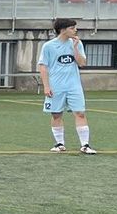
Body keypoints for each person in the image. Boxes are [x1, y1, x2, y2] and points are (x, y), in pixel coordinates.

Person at [39, 18, 95, 154]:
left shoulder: (77, 43)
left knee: (80, 113)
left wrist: (75, 48)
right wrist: (46, 86)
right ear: (63, 29)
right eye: (72, 28)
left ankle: (85, 145)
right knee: (56, 114)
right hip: (56, 86)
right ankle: (59, 144)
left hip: (74, 86)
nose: (75, 30)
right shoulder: (48, 46)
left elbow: (82, 63)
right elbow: (43, 67)